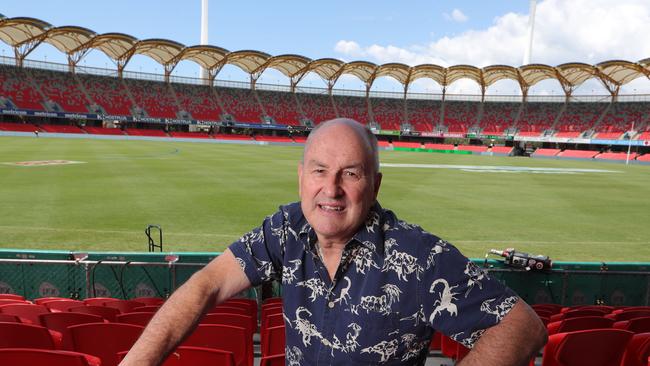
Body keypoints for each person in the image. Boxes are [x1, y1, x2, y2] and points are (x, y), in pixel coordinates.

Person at [120, 118, 547, 365]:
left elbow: (523, 326)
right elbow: (206, 284)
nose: (332, 189)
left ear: (375, 186)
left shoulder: (417, 255)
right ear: (301, 177)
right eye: (320, 170)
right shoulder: (285, 228)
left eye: (351, 173)